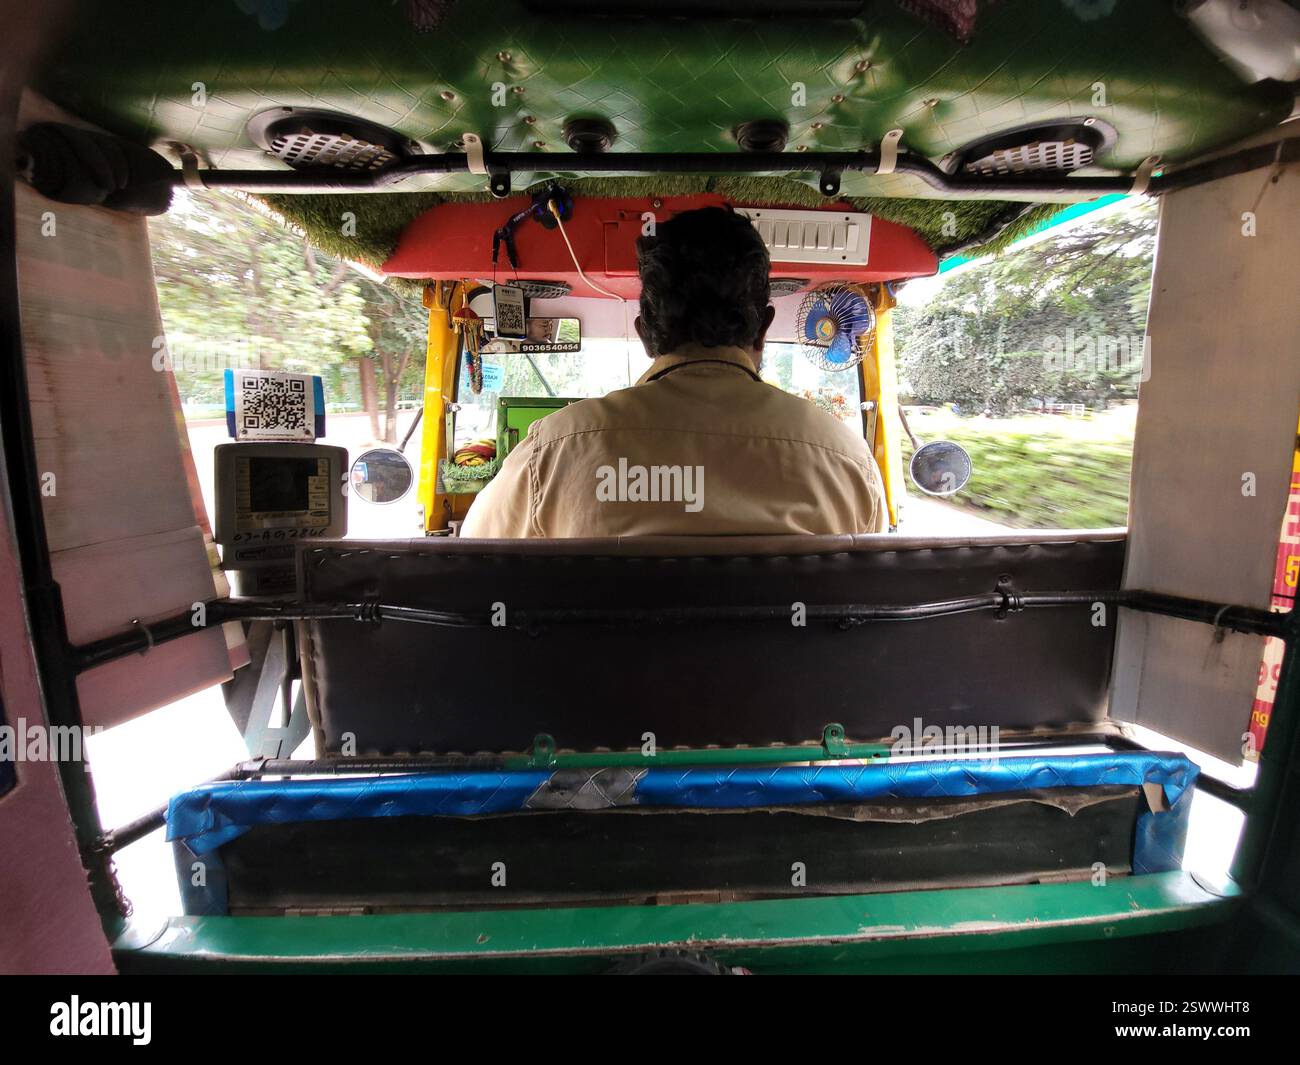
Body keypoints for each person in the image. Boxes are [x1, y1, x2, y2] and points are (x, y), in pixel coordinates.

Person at [460, 206, 887, 537]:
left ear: (645, 334)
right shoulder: (846, 460)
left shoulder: (552, 454)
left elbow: (473, 567)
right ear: (764, 329)